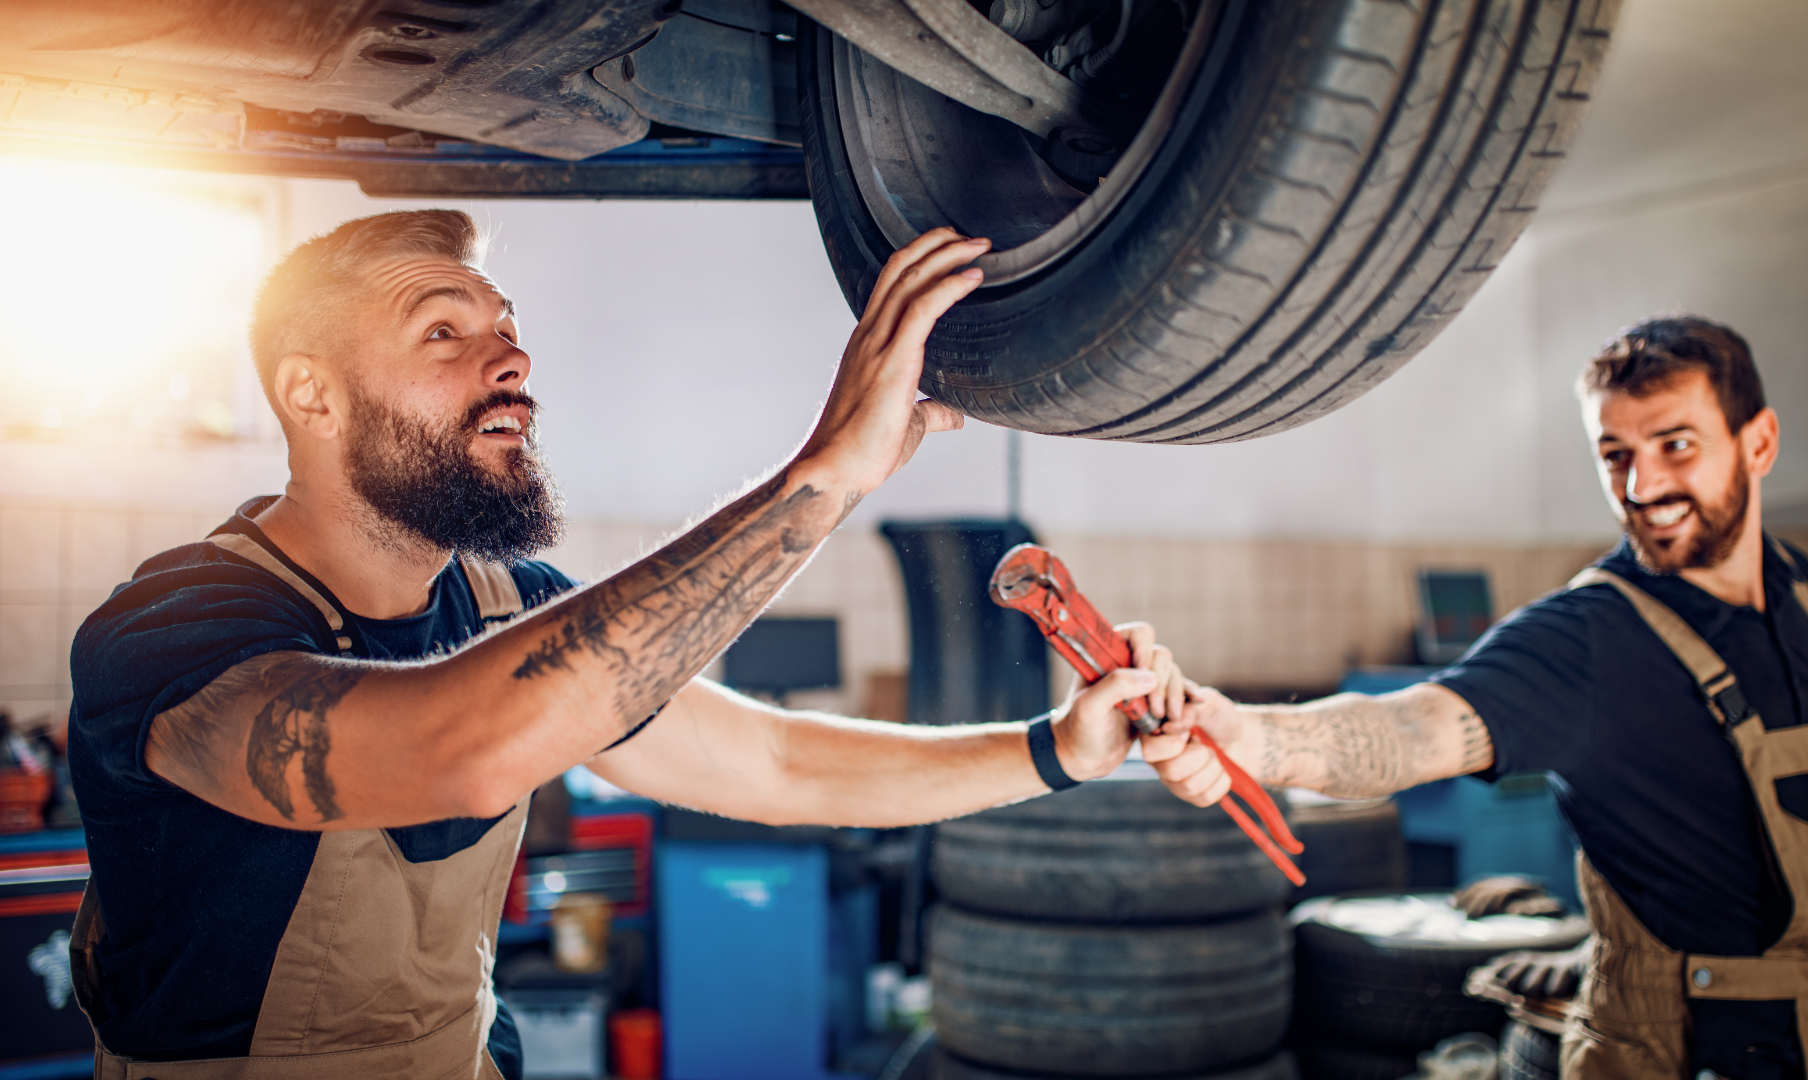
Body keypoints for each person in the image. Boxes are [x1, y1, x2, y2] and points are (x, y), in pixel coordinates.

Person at [66, 210, 1185, 1078]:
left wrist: (1051, 752)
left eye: (507, 329)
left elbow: (777, 765)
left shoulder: (509, 604)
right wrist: (824, 478)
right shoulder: (178, 632)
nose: (509, 362)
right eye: (443, 332)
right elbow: (455, 748)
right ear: (310, 394)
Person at [1147, 317, 1808, 1078]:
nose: (1641, 487)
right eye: (1614, 456)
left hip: (1801, 1027)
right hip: (1661, 1044)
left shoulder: (1801, 594)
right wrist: (1250, 736)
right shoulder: (1589, 635)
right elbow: (1417, 730)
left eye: (1674, 446)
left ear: (1759, 443)